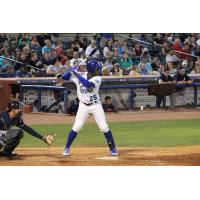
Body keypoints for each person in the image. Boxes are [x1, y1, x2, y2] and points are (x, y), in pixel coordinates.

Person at [61, 60, 118, 156]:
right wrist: (72, 70)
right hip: (83, 106)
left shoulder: (98, 78)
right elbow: (63, 77)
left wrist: (76, 74)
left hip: (96, 106)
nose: (99, 71)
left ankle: (113, 149)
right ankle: (66, 148)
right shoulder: (80, 74)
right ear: (92, 70)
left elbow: (88, 85)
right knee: (77, 127)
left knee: (104, 127)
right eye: (97, 70)